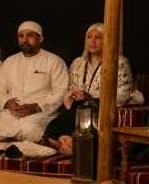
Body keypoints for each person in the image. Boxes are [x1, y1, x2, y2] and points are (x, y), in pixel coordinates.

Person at [42, 23, 141, 155]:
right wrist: (73, 95)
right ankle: (66, 143)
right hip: (79, 105)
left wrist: (88, 97)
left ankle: (68, 145)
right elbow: (69, 89)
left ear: (108, 40)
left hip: (103, 106)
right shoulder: (78, 62)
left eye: (98, 37)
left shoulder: (120, 62)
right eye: (89, 37)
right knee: (58, 122)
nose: (92, 41)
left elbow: (122, 95)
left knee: (82, 114)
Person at [0, 21, 69, 143]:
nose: (25, 40)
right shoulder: (10, 61)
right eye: (21, 36)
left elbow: (61, 92)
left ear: (40, 38)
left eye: (30, 35)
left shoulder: (54, 61)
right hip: (12, 113)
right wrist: (8, 103)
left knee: (32, 133)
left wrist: (36, 106)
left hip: (40, 114)